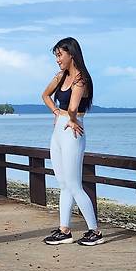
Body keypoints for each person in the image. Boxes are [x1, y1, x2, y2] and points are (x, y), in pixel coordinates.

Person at [41, 37, 104, 246]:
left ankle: (95, 231)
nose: (57, 59)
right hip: (59, 131)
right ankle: (64, 230)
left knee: (74, 184)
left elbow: (74, 107)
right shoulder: (61, 76)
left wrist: (72, 119)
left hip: (72, 131)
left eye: (60, 55)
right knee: (63, 184)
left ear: (71, 54)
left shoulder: (81, 79)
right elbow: (45, 95)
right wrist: (55, 111)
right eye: (56, 56)